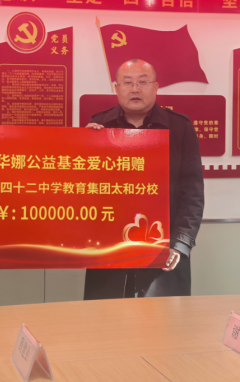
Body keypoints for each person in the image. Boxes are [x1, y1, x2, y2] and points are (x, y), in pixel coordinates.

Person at [84, 58, 204, 299]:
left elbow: (192, 194)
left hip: (164, 251)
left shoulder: (179, 128)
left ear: (156, 87)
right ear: (116, 88)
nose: (135, 89)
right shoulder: (99, 126)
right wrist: (84, 147)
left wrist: (180, 244)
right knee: (105, 318)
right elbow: (84, 189)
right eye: (128, 82)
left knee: (162, 320)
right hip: (109, 252)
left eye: (143, 82)